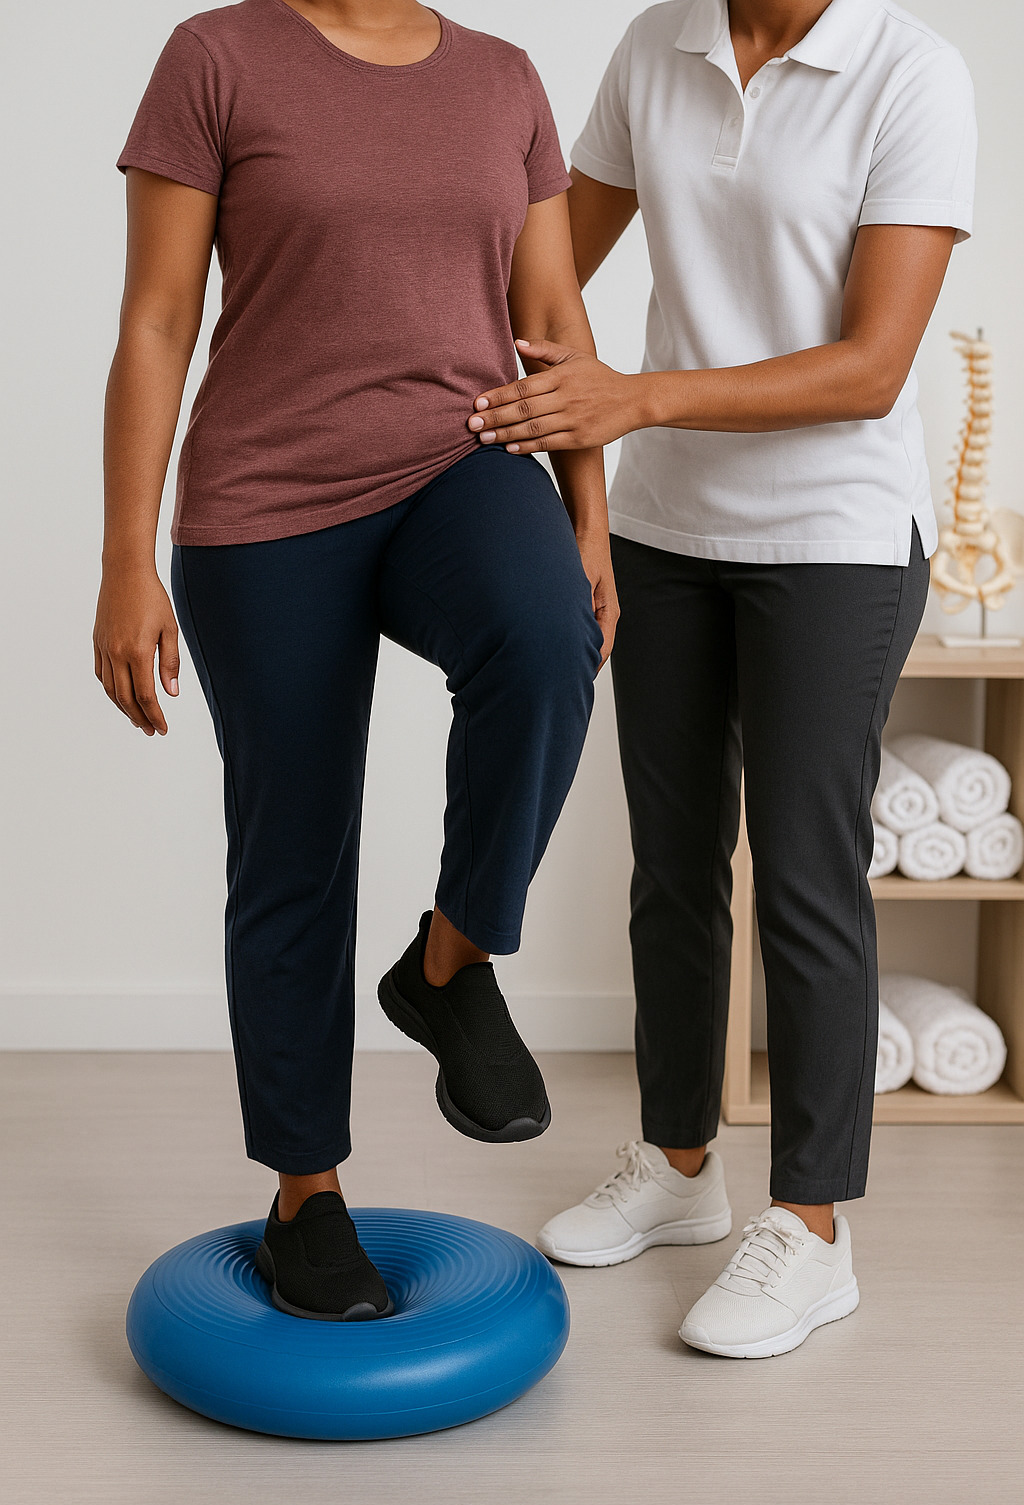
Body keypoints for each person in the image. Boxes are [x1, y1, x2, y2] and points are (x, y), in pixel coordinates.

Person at [467, 0, 976, 1357]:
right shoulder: (660, 46)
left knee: (805, 872)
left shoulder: (911, 72)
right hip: (665, 528)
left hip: (835, 539)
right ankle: (682, 1165)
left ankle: (812, 1227)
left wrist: (632, 397)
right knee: (674, 864)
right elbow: (547, 271)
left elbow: (873, 367)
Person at [94, 0, 616, 1322]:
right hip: (266, 495)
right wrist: (124, 558)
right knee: (293, 843)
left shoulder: (503, 79)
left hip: (459, 458)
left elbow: (554, 317)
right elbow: (157, 319)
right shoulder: (217, 59)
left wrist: (587, 524)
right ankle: (305, 1189)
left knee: (547, 639)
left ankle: (448, 964)